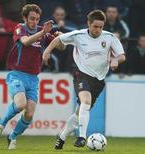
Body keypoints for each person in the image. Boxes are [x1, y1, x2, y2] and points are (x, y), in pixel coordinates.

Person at [43, 10, 126, 149]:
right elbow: (58, 39)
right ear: (89, 23)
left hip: (98, 80)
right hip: (80, 73)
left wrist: (115, 59)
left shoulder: (110, 37)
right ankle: (82, 137)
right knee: (85, 101)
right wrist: (46, 51)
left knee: (80, 111)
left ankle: (61, 138)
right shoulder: (78, 35)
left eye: (101, 27)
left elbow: (122, 55)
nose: (98, 30)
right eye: (95, 26)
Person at [0, 4, 54, 150]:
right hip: (17, 74)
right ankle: (1, 122)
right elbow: (26, 41)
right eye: (32, 18)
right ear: (25, 18)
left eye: (37, 19)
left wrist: (56, 42)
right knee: (21, 104)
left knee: (29, 113)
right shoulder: (19, 28)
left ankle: (12, 136)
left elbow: (60, 45)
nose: (35, 22)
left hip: (33, 78)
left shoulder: (42, 31)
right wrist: (42, 33)